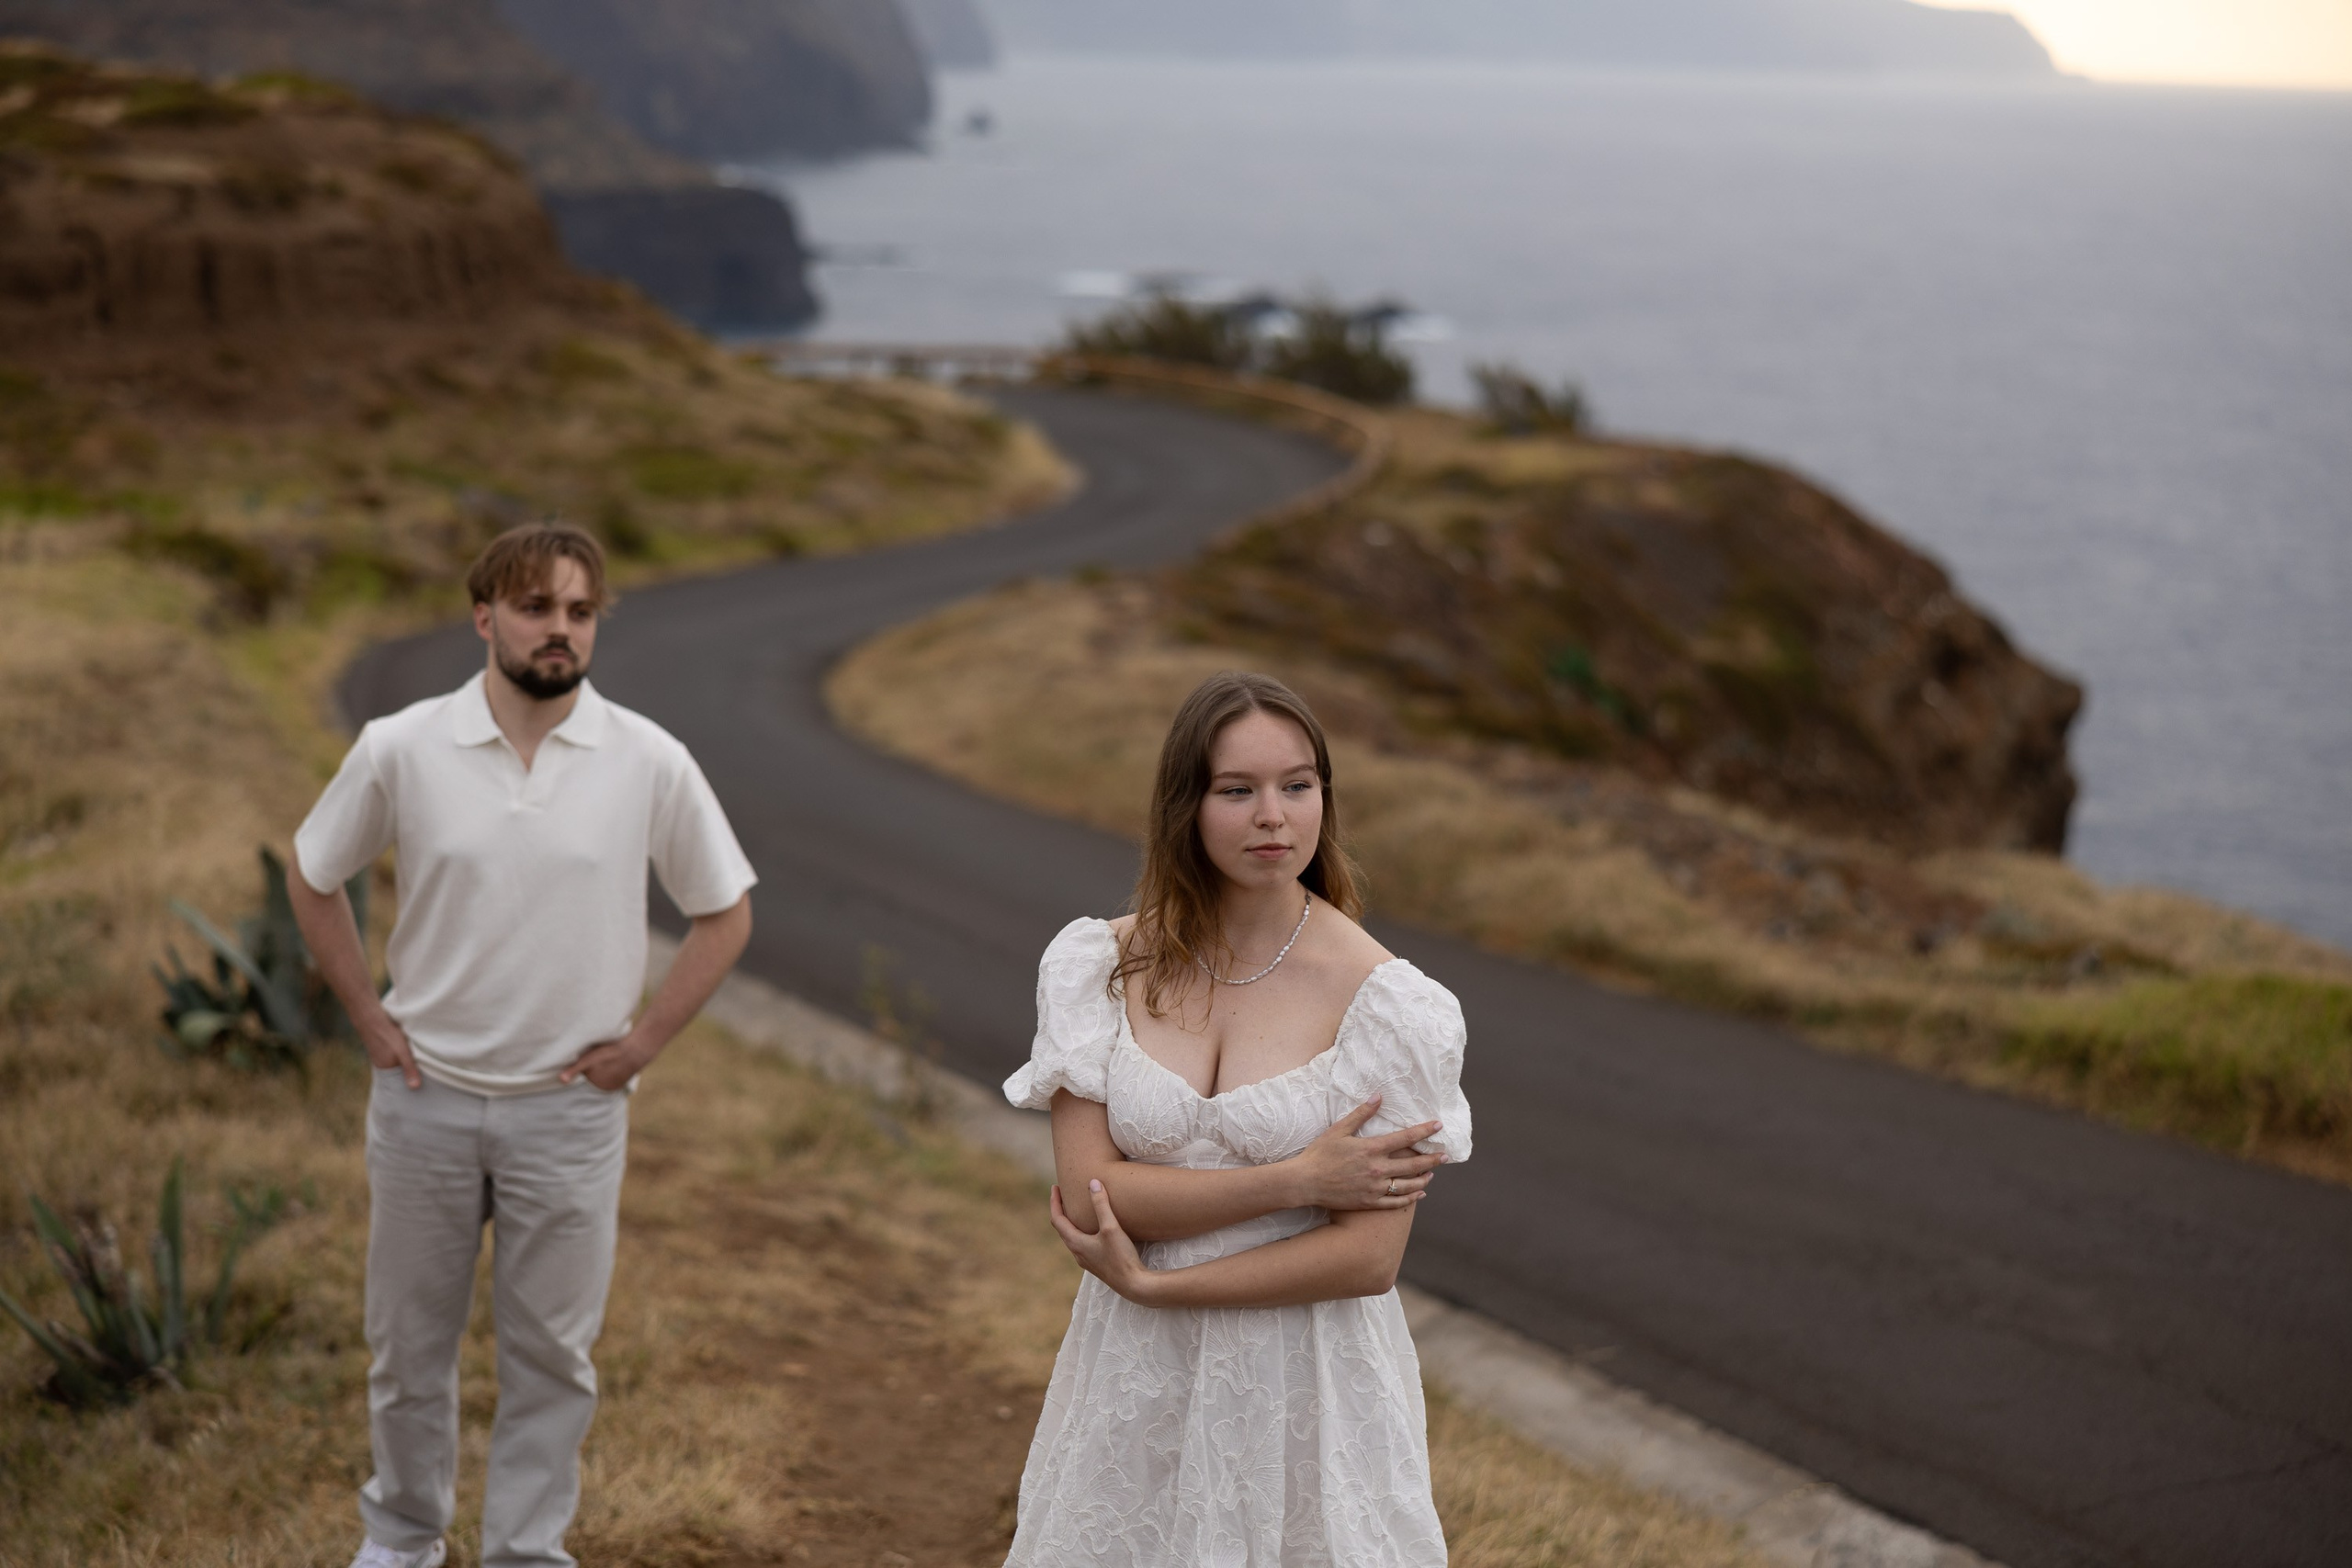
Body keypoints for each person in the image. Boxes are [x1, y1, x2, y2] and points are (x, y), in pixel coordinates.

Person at [289, 523, 757, 1568]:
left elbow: (725, 913)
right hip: (425, 1099)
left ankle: (524, 1554)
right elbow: (314, 874)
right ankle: (404, 1540)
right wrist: (368, 1016)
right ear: (484, 615)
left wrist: (639, 1047)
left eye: (580, 612)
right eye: (538, 607)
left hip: (570, 1114)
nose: (560, 631)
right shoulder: (401, 746)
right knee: (408, 1354)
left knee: (553, 1359)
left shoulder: (648, 759)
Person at [1003, 671, 1473, 1566]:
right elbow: (1088, 1188)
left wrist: (1159, 1286)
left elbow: (1367, 1258)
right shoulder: (1098, 964)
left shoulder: (1390, 1006)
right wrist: (1295, 1181)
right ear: (1185, 805)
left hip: (1303, 1383)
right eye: (1237, 790)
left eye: (1297, 786)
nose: (1273, 816)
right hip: (1134, 1371)